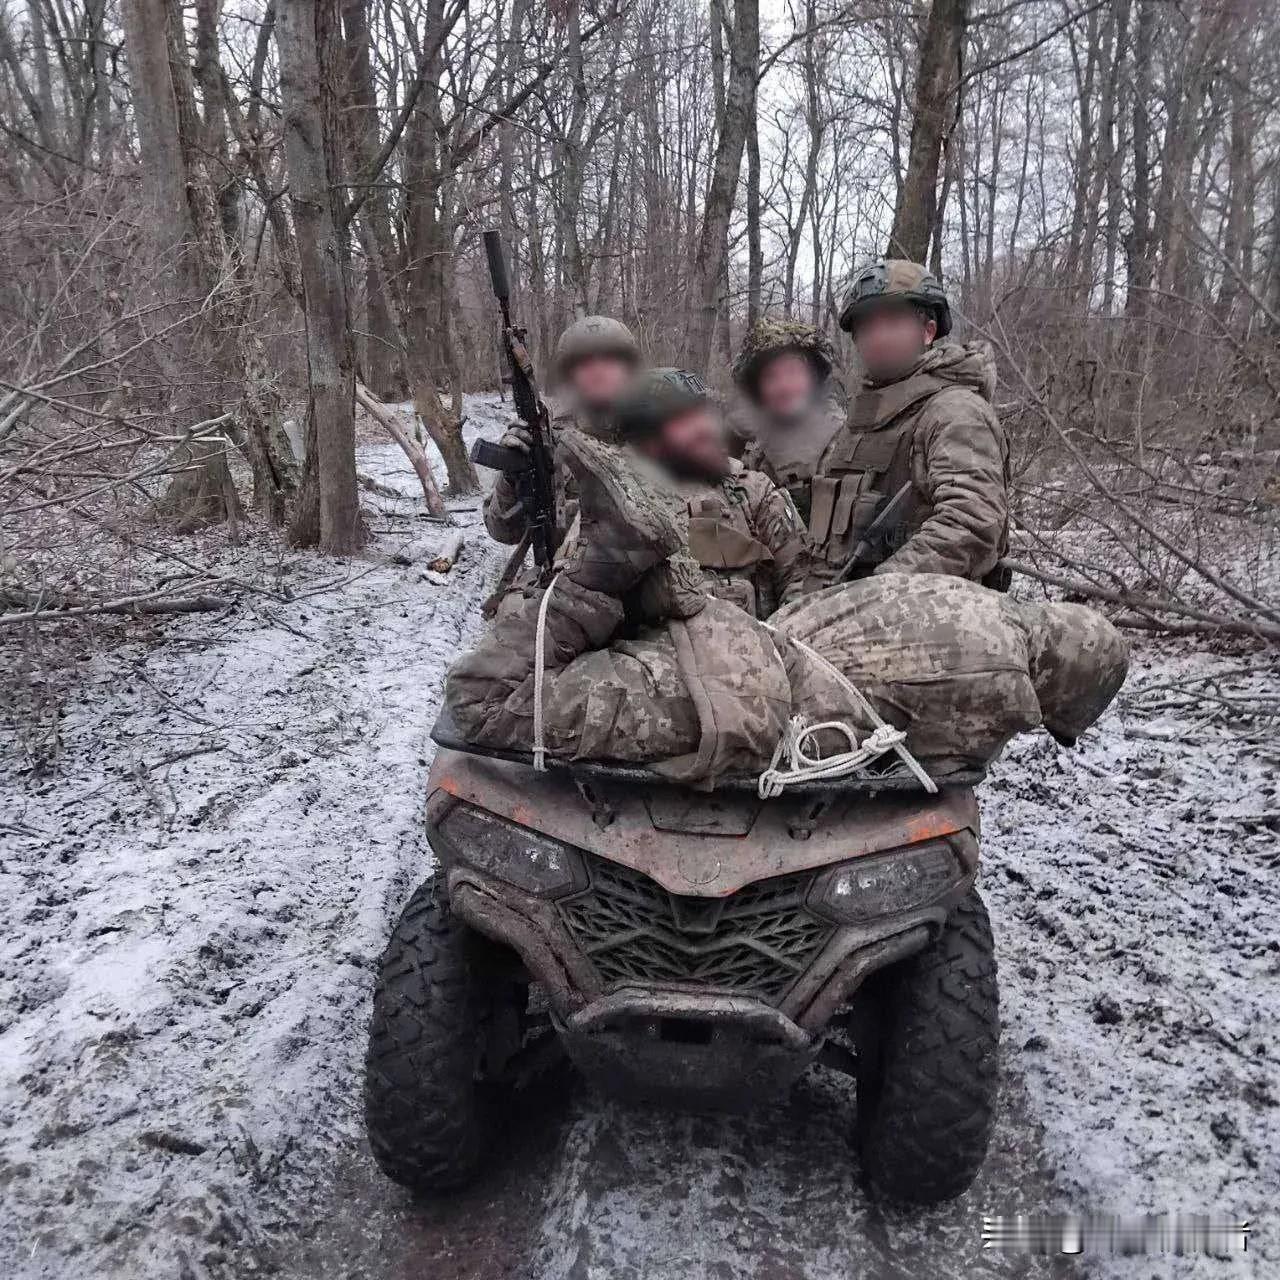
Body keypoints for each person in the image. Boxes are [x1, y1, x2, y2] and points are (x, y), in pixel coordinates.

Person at [806, 260, 1010, 590]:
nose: (879, 336)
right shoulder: (862, 418)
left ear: (928, 331)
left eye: (893, 321)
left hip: (924, 607)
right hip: (840, 600)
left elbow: (972, 523)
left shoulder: (953, 410)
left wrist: (873, 591)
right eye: (868, 327)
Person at [602, 367, 810, 619]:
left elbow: (802, 588)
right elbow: (581, 600)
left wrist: (776, 646)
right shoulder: (611, 502)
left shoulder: (751, 492)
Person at [482, 315, 640, 550]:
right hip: (564, 576)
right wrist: (513, 476)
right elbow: (502, 532)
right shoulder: (546, 435)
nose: (597, 370)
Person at [729, 319, 844, 523]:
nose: (784, 387)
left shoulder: (847, 439)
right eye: (771, 377)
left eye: (793, 372)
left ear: (814, 378)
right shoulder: (746, 444)